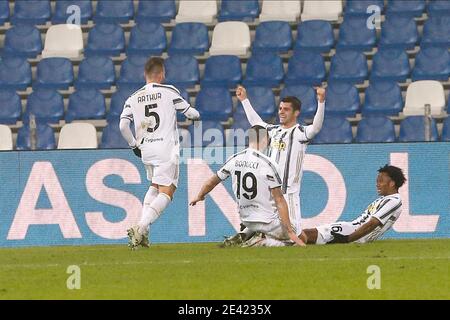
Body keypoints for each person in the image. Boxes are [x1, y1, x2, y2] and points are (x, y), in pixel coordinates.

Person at [119, 57, 200, 249]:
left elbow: (123, 126)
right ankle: (140, 227)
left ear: (145, 74)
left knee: (155, 186)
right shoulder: (169, 92)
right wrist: (196, 116)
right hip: (166, 149)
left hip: (145, 149)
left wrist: (133, 146)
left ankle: (143, 234)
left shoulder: (133, 97)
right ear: (161, 74)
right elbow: (191, 114)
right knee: (167, 190)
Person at [232, 85, 326, 244]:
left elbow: (316, 127)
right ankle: (253, 239)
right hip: (270, 191)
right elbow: (256, 122)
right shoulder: (274, 131)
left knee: (293, 233)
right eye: (280, 108)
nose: (281, 111)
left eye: (286, 109)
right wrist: (244, 100)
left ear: (296, 113)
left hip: (288, 192)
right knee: (293, 236)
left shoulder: (299, 133)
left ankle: (248, 235)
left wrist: (321, 102)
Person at [190, 126, 306, 247]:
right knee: (300, 237)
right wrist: (290, 232)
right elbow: (279, 199)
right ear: (264, 140)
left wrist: (200, 196)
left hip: (246, 220)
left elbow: (212, 182)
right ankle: (260, 241)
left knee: (272, 224)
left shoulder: (234, 158)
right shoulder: (268, 164)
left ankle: (245, 235)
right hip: (267, 221)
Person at [303, 165, 406, 244]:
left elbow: (372, 223)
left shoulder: (393, 201)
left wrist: (348, 239)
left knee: (305, 235)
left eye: (381, 181)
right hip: (352, 230)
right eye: (377, 181)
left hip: (354, 234)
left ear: (392, 183)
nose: (377, 184)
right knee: (307, 236)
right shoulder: (385, 199)